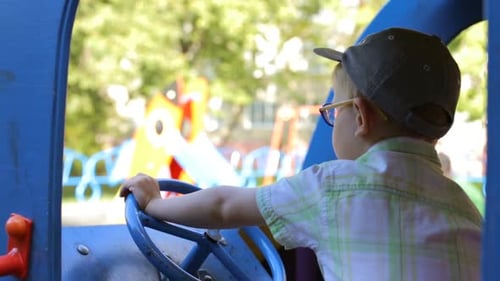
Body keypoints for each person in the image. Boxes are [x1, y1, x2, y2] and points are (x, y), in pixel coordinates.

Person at [120, 27, 482, 281]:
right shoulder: (463, 206)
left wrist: (153, 204)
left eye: (332, 110)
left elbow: (222, 207)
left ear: (360, 115)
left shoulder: (333, 188)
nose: (330, 117)